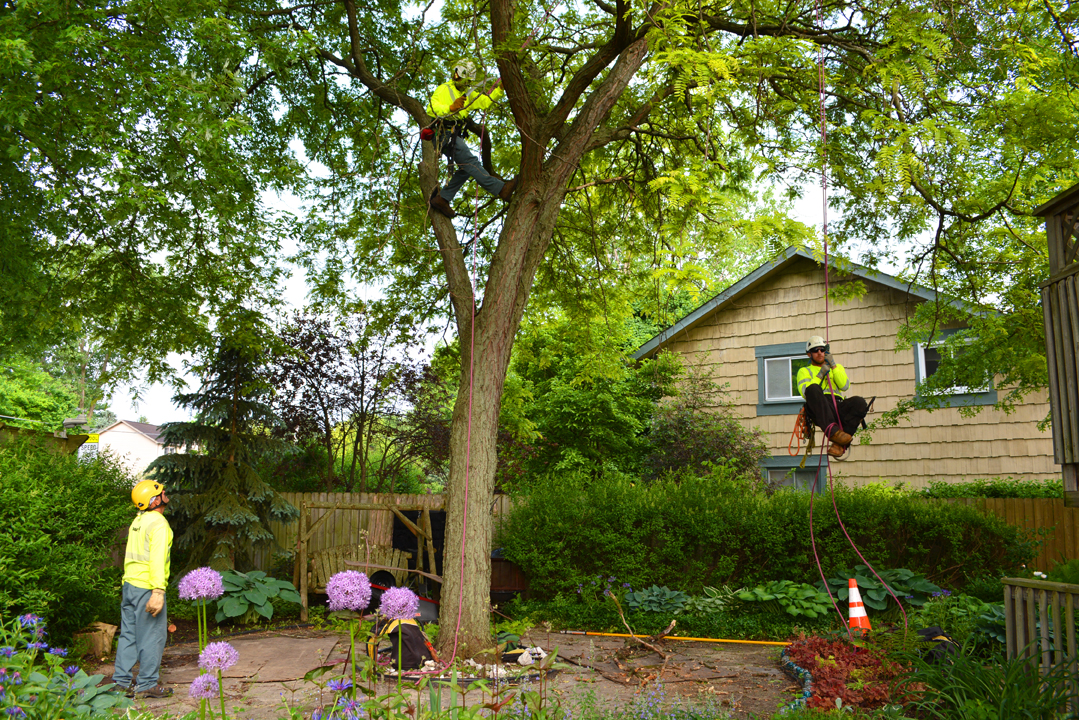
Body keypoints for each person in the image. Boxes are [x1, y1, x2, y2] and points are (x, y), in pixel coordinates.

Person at [425, 60, 517, 219]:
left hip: (453, 135)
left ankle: (443, 198)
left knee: (466, 169)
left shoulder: (468, 94)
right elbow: (431, 108)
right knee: (471, 162)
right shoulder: (444, 89)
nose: (457, 78)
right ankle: (501, 189)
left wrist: (500, 89)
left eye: (461, 77)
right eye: (456, 75)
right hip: (442, 133)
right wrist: (450, 108)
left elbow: (485, 101)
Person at [113, 479, 174, 699]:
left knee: (128, 635)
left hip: (129, 585)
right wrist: (158, 591)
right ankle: (147, 684)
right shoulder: (159, 524)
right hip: (147, 588)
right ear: (154, 500)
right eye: (161, 491)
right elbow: (157, 559)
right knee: (152, 636)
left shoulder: (138, 521)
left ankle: (121, 683)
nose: (165, 493)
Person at [796, 336, 869, 458]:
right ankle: (834, 433)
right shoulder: (804, 371)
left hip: (837, 405)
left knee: (859, 402)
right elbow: (806, 392)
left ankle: (838, 444)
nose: (820, 353)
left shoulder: (837, 368)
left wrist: (834, 366)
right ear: (809, 354)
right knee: (813, 389)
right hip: (820, 406)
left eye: (822, 349)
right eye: (815, 350)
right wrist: (820, 375)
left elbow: (844, 386)